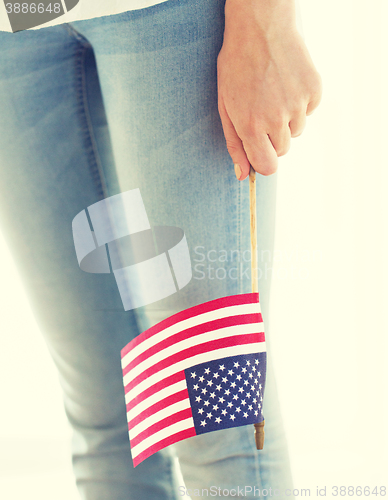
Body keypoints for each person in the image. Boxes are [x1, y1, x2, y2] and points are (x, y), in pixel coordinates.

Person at [0, 0, 321, 498]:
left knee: (218, 421)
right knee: (108, 423)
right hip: (13, 29)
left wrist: (268, 21)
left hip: (169, 11)